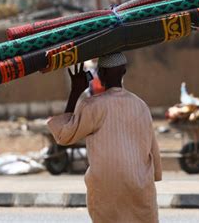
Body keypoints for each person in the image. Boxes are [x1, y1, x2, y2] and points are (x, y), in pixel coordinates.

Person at [47, 52, 162, 223]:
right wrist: (154, 176)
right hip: (139, 185)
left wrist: (75, 91)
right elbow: (152, 148)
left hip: (106, 188)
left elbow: (64, 136)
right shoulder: (140, 105)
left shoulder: (93, 106)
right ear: (124, 72)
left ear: (100, 74)